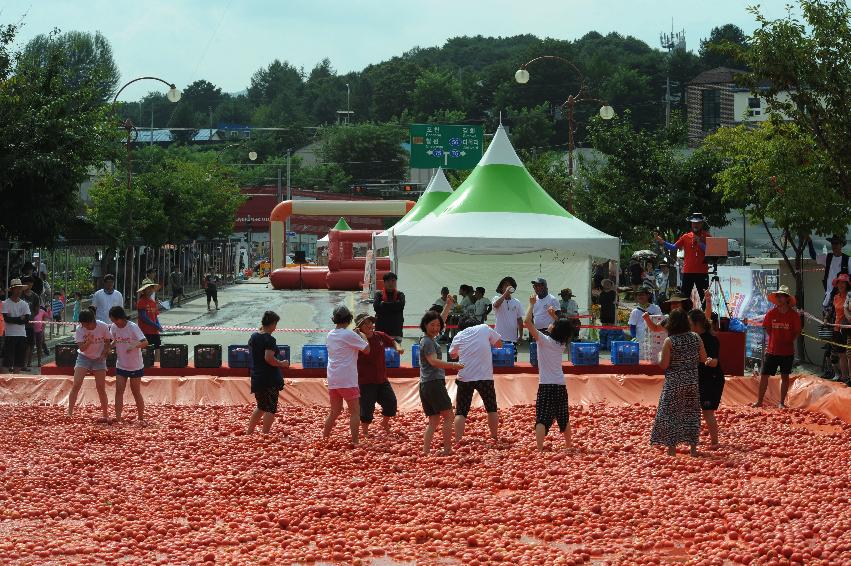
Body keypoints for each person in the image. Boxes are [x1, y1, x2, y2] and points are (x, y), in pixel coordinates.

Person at [650, 309, 707, 457]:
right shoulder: (696, 337)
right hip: (692, 382)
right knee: (691, 414)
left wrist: (660, 356)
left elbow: (664, 365)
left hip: (674, 384)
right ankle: (693, 450)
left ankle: (672, 450)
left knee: (670, 415)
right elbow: (703, 358)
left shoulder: (670, 341)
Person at [525, 295, 574, 451]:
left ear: (555, 329)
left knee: (542, 418)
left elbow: (527, 322)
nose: (550, 325)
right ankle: (568, 446)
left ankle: (539, 448)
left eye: (553, 324)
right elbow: (561, 327)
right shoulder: (561, 344)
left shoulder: (543, 340)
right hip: (560, 385)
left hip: (546, 385)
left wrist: (531, 305)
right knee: (563, 416)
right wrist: (554, 316)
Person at [419, 298, 463, 455]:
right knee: (449, 416)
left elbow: (441, 320)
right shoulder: (428, 342)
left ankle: (425, 451)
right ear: (425, 325)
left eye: (437, 326)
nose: (436, 328)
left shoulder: (428, 339)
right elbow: (433, 361)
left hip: (425, 384)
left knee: (433, 420)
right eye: (432, 325)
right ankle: (447, 449)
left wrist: (448, 305)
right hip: (434, 384)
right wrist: (453, 365)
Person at [449, 316, 503, 442]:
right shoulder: (484, 328)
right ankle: (494, 436)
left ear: (460, 326)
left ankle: (458, 440)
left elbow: (452, 355)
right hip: (485, 377)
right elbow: (499, 343)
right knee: (491, 408)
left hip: (465, 377)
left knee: (461, 411)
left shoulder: (459, 335)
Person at [323, 306, 370, 445]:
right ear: (349, 319)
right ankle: (355, 441)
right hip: (347, 379)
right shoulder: (350, 335)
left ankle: (325, 437)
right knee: (355, 412)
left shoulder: (330, 334)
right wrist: (362, 335)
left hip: (333, 378)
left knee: (335, 411)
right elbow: (367, 350)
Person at [354, 312, 403, 437]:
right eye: (365, 323)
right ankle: (365, 432)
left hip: (382, 379)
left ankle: (384, 423)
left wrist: (398, 347)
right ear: (359, 327)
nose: (369, 325)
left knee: (391, 403)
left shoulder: (379, 336)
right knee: (366, 409)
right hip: (366, 381)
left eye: (370, 322)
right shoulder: (356, 340)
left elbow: (393, 341)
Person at [753, 286, 802, 408]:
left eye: (782, 296)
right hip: (772, 351)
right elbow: (767, 328)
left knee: (784, 376)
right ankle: (759, 401)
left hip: (787, 352)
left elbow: (797, 331)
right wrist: (775, 339)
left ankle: (781, 402)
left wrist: (789, 340)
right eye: (778, 296)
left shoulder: (794, 315)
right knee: (764, 376)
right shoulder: (771, 313)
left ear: (787, 299)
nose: (780, 299)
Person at [247, 311, 289, 434]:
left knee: (261, 407)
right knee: (270, 408)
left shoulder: (254, 336)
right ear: (272, 324)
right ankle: (265, 434)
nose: (276, 327)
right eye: (276, 324)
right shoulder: (269, 339)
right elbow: (268, 358)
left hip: (257, 376)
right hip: (268, 378)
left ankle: (249, 432)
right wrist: (282, 363)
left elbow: (255, 350)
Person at [655, 213, 711, 303]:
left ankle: (706, 315)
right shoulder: (686, 236)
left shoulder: (707, 236)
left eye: (698, 223)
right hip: (688, 271)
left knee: (704, 296)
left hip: (702, 271)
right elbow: (674, 247)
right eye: (693, 223)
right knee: (684, 297)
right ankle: (684, 315)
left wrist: (700, 242)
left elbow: (710, 251)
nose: (695, 225)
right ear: (691, 224)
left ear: (702, 224)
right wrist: (663, 242)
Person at [67, 309, 111, 421]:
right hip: (84, 357)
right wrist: (89, 341)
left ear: (91, 321)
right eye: (82, 324)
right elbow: (82, 348)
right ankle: (69, 413)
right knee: (76, 384)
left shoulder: (103, 326)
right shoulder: (80, 329)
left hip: (99, 359)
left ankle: (105, 414)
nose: (83, 326)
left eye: (85, 324)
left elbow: (107, 342)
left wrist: (104, 353)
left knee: (101, 387)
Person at [688, 308, 724, 449]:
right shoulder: (692, 338)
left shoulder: (711, 339)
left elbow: (715, 361)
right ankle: (693, 440)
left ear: (697, 324)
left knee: (707, 411)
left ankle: (715, 442)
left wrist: (708, 361)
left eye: (689, 323)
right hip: (699, 378)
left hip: (712, 379)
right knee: (695, 410)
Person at [108, 306, 149, 424]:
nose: (115, 323)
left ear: (121, 318)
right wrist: (108, 347)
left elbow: (145, 342)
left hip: (135, 365)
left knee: (136, 391)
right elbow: (114, 340)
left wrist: (134, 345)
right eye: (113, 321)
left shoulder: (132, 327)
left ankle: (141, 417)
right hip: (121, 364)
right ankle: (118, 418)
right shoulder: (114, 327)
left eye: (116, 320)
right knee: (119, 391)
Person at [3, 279, 31, 373]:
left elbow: (26, 320)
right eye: (16, 289)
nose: (19, 291)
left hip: (21, 335)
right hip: (10, 335)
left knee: (19, 362)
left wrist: (14, 319)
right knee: (7, 362)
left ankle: (15, 382)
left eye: (20, 289)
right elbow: (6, 319)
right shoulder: (5, 303)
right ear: (12, 290)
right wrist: (19, 319)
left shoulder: (24, 304)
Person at [629, 287, 664, 359]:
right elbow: (632, 326)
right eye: (638, 295)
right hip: (641, 340)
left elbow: (661, 321)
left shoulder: (656, 308)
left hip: (655, 338)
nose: (640, 297)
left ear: (648, 296)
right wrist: (634, 337)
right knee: (641, 360)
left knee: (655, 359)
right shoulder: (635, 311)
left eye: (642, 294)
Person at [373, 272, 405, 342]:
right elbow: (376, 308)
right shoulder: (378, 294)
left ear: (396, 282)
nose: (391, 283)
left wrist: (383, 304)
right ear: (384, 283)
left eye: (393, 281)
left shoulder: (400, 295)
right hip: (381, 331)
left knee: (396, 352)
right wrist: (395, 305)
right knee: (381, 352)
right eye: (388, 281)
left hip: (396, 332)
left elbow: (401, 306)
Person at [491, 276, 524, 344]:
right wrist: (506, 293)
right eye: (506, 285)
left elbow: (520, 320)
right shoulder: (496, 298)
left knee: (512, 354)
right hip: (499, 337)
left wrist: (521, 335)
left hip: (513, 338)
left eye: (510, 285)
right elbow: (496, 305)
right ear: (501, 287)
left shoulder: (517, 302)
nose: (508, 287)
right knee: (499, 354)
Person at [136, 280, 163, 361]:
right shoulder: (141, 302)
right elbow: (143, 317)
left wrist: (158, 325)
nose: (150, 290)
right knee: (146, 351)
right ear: (144, 291)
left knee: (158, 348)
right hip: (145, 331)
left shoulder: (152, 302)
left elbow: (155, 316)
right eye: (147, 289)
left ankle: (157, 366)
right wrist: (155, 325)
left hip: (154, 331)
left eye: (151, 288)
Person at [830, 274, 850, 384]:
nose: (841, 284)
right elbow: (835, 312)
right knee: (841, 354)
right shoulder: (836, 297)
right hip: (837, 328)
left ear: (847, 284)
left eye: (843, 282)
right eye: (839, 282)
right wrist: (826, 319)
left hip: (847, 329)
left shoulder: (850, 296)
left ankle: (849, 378)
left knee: (849, 354)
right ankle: (844, 377)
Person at [598, 279, 619, 349]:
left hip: (611, 311)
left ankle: (609, 344)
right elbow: (600, 302)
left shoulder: (614, 293)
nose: (607, 285)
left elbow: (616, 302)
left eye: (608, 283)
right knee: (604, 328)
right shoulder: (601, 293)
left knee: (611, 328)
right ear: (603, 285)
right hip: (603, 311)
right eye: (605, 283)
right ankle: (603, 343)